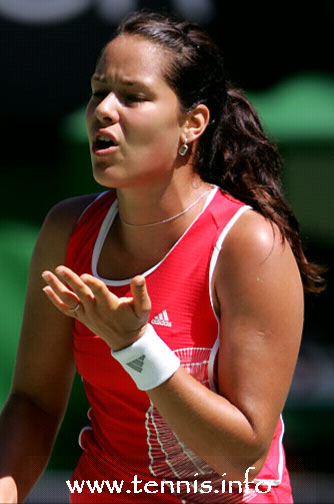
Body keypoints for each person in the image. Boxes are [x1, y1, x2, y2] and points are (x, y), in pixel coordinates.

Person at [0, 10, 325, 504]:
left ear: (191, 124)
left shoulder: (249, 245)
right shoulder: (68, 230)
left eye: (133, 97)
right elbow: (33, 403)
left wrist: (136, 347)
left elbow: (242, 458)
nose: (103, 110)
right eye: (97, 91)